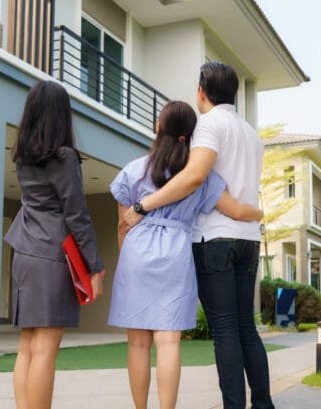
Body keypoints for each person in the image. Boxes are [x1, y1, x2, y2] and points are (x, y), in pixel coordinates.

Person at [124, 62, 274, 409]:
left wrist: (144, 206)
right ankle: (264, 404)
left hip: (215, 239)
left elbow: (193, 177)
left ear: (201, 92)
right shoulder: (251, 133)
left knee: (225, 331)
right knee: (245, 327)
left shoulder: (208, 125)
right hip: (248, 238)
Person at [5, 80, 104, 409]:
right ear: (62, 115)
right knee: (46, 347)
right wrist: (95, 267)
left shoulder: (23, 156)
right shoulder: (63, 157)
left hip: (24, 250)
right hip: (51, 255)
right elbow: (77, 216)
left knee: (27, 345)